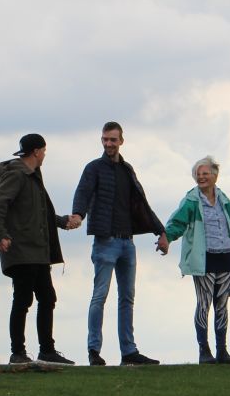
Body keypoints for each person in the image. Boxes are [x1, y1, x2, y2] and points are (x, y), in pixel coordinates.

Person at [69, 122, 167, 367]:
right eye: (105, 140)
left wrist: (161, 232)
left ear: (121, 141)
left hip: (127, 243)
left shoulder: (127, 170)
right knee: (100, 295)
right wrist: (78, 215)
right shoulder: (93, 168)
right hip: (105, 242)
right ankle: (94, 350)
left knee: (127, 298)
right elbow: (82, 192)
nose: (108, 144)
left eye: (113, 140)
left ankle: (129, 351)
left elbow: (142, 203)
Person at [0, 134, 78, 366]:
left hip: (38, 251)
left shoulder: (33, 176)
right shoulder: (18, 174)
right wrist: (1, 234)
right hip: (21, 250)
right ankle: (17, 352)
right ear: (37, 151)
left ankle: (47, 350)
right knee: (23, 299)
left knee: (47, 297)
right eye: (44, 151)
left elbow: (41, 212)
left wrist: (62, 221)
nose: (45, 155)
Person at [164, 156, 230, 365]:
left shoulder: (224, 200)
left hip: (225, 256)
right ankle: (204, 351)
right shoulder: (191, 200)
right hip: (203, 258)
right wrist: (167, 238)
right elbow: (177, 222)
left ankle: (222, 350)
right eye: (198, 174)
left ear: (215, 176)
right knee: (204, 303)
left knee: (222, 305)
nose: (201, 177)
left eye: (205, 173)